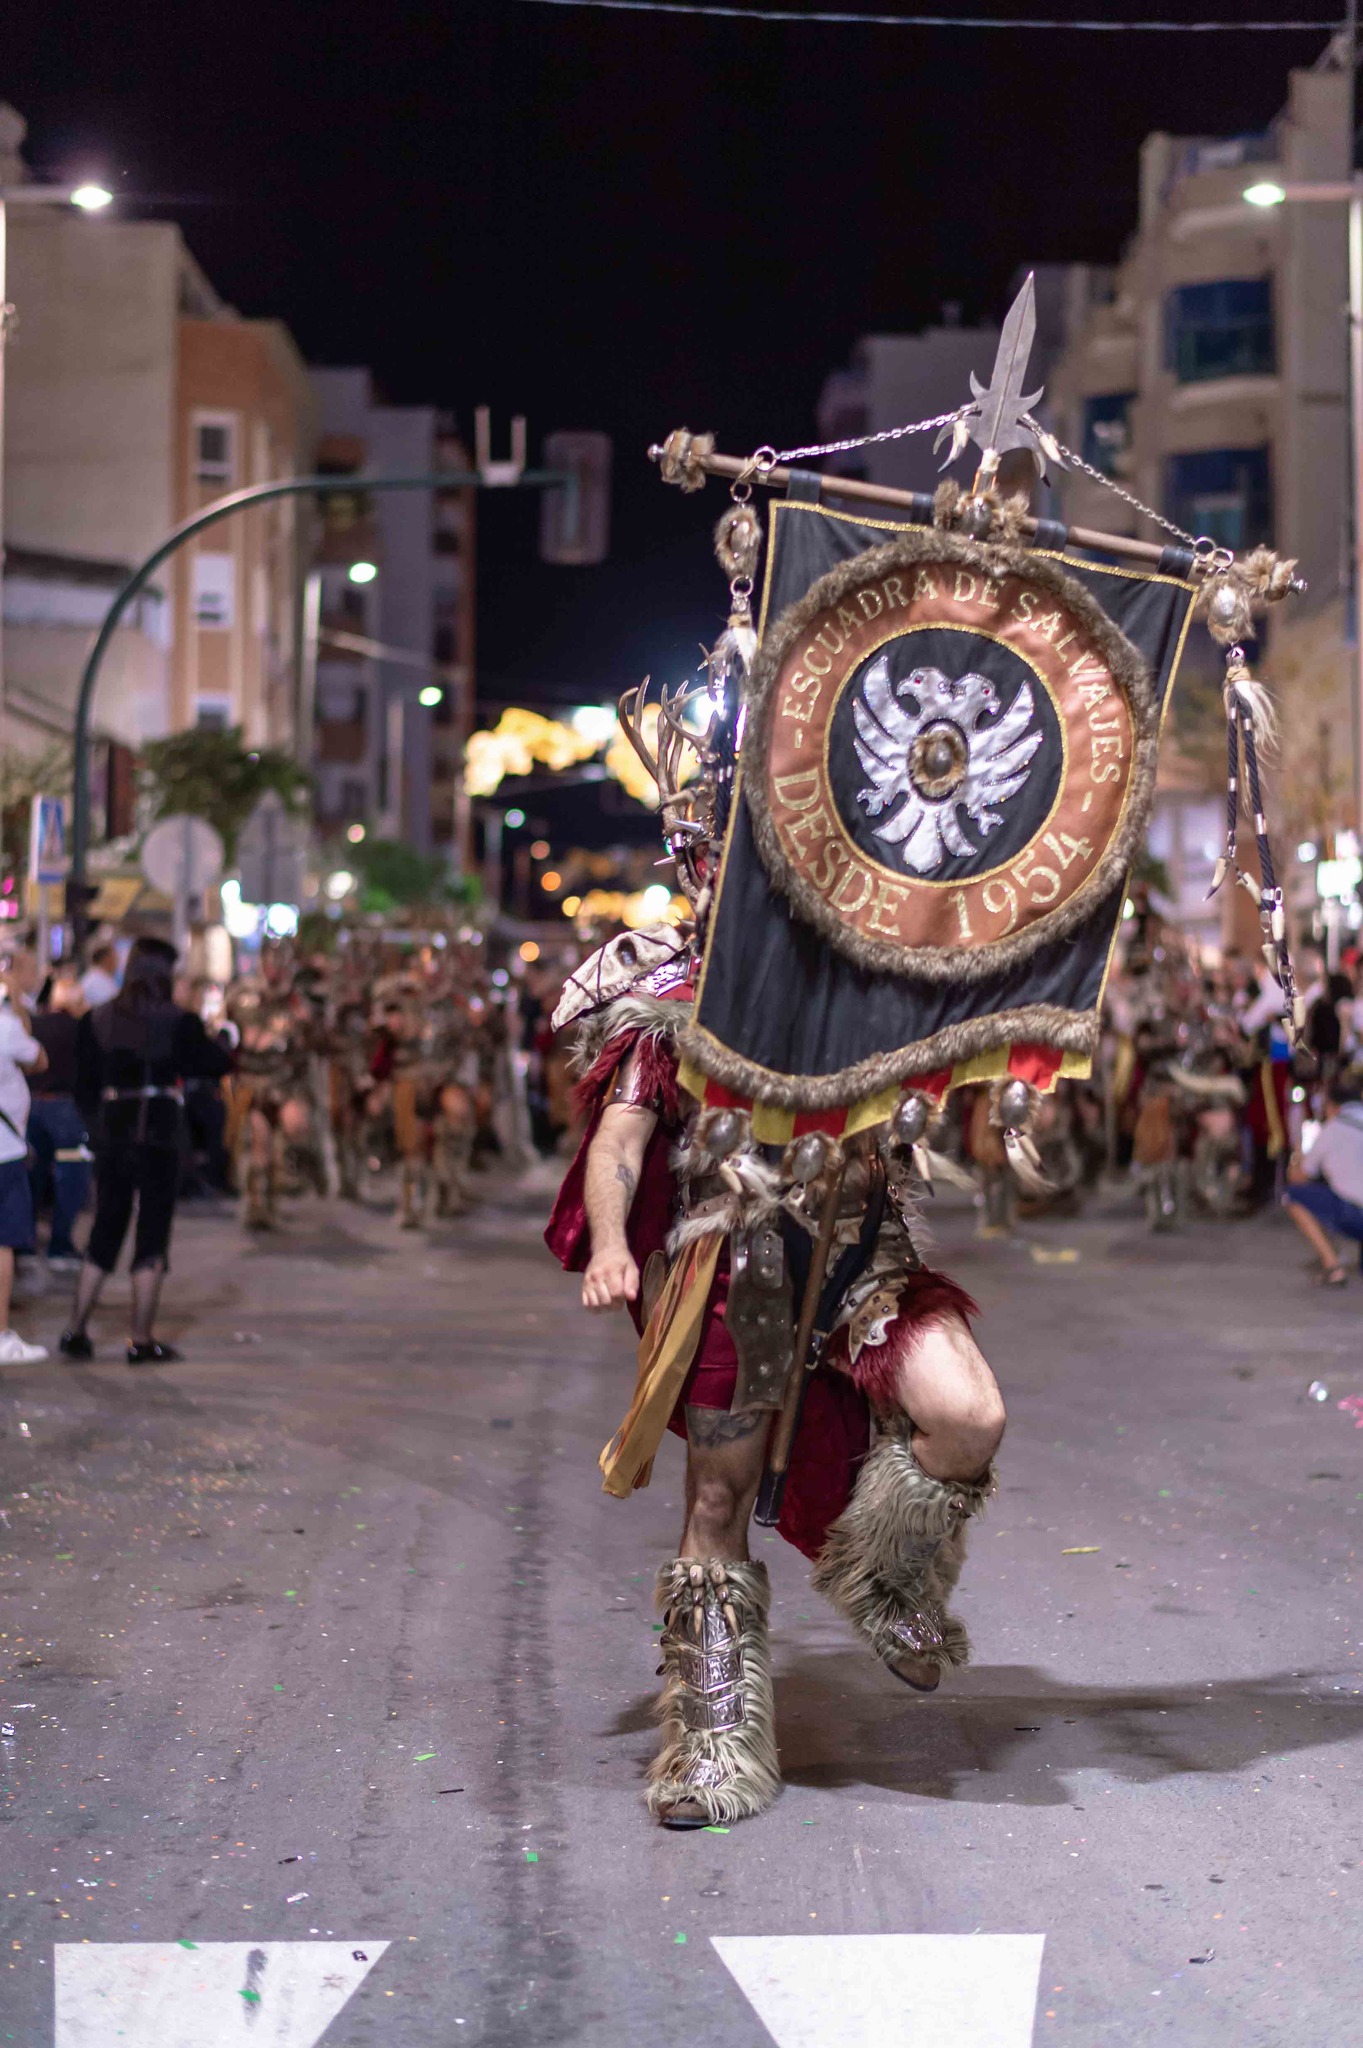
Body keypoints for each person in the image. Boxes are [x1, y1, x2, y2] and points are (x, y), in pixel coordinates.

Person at [59, 937, 233, 1364]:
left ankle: (75, 1330)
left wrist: (99, 1129)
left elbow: (83, 1087)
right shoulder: (180, 1021)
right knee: (153, 1231)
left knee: (106, 1227)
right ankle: (139, 1338)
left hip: (115, 1133)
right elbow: (215, 1063)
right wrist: (220, 1038)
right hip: (160, 1132)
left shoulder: (98, 1019)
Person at [0, 951, 49, 1362]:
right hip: (4, 1151)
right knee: (3, 1243)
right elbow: (40, 1059)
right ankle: (0, 1336)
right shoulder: (6, 1027)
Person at [26, 971, 93, 1270]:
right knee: (72, 1176)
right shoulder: (80, 1029)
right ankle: (60, 1245)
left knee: (33, 1176)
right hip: (66, 1110)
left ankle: (24, 1245)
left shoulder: (34, 1024)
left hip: (30, 1108)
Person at [1284, 1076, 1363, 1286]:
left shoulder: (1332, 1129)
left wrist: (1297, 1152)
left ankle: (1333, 1267)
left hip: (1355, 1213)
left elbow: (1298, 1178)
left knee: (1293, 1196)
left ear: (1331, 1105)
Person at [80, 942, 120, 1009]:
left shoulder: (100, 977)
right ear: (107, 959)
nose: (117, 963)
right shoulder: (97, 982)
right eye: (115, 958)